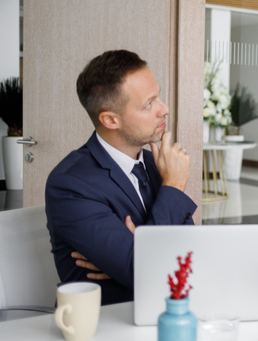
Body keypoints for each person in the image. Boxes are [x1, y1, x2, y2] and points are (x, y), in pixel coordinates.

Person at [46, 50, 197, 305]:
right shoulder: (70, 184)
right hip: (106, 327)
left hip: (163, 309)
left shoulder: (155, 163)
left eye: (158, 96)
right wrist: (173, 185)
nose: (164, 109)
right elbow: (143, 270)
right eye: (148, 104)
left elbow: (187, 252)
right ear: (110, 119)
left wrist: (129, 261)